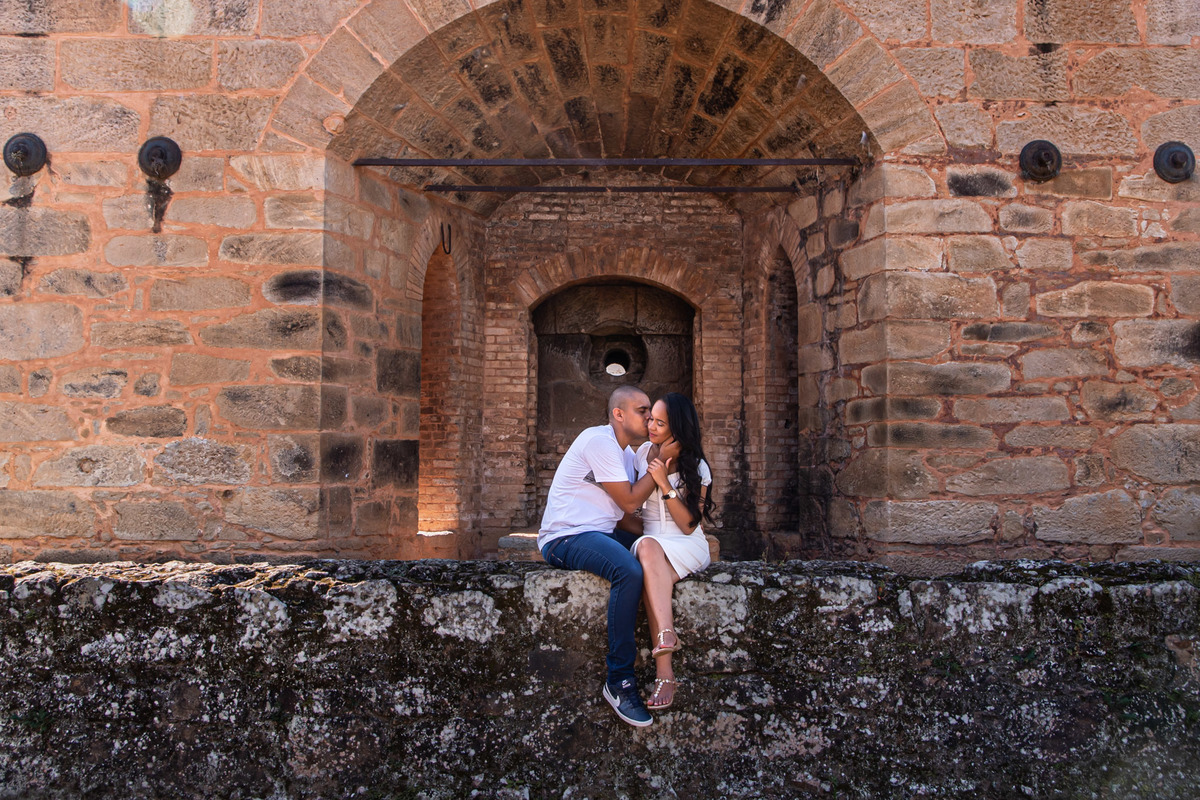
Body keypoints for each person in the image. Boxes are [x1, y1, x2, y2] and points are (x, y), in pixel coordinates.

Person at [537, 385, 678, 728]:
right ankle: (619, 681)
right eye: (642, 411)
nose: (648, 417)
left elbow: (627, 518)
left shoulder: (627, 454)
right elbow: (630, 502)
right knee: (627, 571)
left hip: (598, 532)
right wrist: (657, 467)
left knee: (658, 554)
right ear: (619, 414)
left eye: (650, 412)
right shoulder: (598, 440)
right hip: (566, 535)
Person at [630, 392, 715, 711]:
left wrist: (663, 482)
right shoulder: (641, 454)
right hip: (652, 542)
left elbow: (690, 524)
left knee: (652, 581)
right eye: (650, 417)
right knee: (650, 553)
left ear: (677, 427)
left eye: (659, 422)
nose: (650, 425)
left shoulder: (698, 466)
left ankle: (665, 671)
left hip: (686, 544)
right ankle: (666, 648)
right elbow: (630, 505)